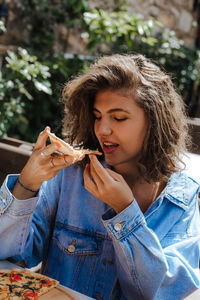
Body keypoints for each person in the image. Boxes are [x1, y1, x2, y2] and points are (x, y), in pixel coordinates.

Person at [0, 54, 200, 300]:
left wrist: (125, 212)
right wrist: (26, 186)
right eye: (97, 116)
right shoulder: (70, 176)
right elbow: (12, 256)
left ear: (155, 122)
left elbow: (161, 293)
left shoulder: (181, 200)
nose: (102, 130)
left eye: (118, 117)